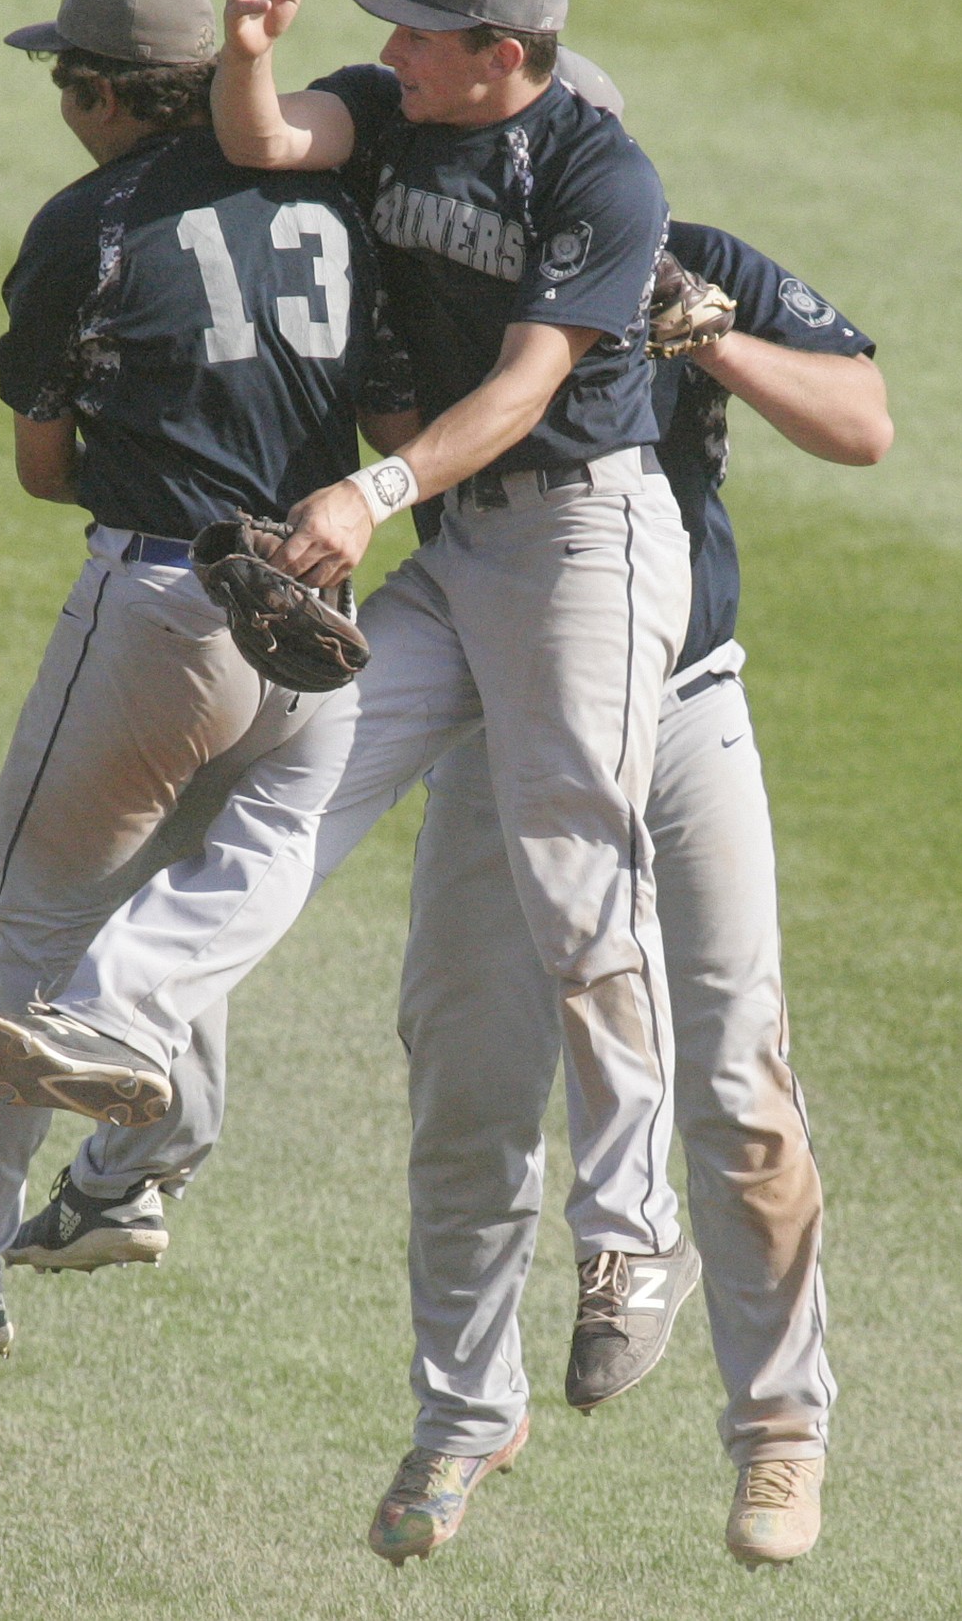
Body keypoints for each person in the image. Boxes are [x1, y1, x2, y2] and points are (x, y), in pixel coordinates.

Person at [0, 0, 702, 1407]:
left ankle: (630, 1235)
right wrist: (259, 52)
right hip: (456, 545)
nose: (393, 45)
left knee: (571, 872)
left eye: (422, 29)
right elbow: (269, 135)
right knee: (302, 798)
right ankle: (110, 1032)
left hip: (579, 544)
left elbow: (535, 380)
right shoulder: (391, 112)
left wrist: (370, 495)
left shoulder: (602, 174)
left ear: (504, 55)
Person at [0, 0, 414, 1366]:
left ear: (103, 92)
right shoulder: (327, 198)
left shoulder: (85, 221)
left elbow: (46, 467)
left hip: (161, 609)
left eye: (64, 83)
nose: (60, 106)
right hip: (324, 610)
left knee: (33, 932)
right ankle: (130, 1178)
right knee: (219, 885)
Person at [370, 218, 891, 1568]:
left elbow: (861, 422)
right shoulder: (424, 271)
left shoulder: (686, 252)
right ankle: (462, 1413)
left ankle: (779, 1433)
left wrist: (711, 334)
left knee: (735, 1079)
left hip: (679, 721)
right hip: (506, 727)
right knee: (470, 1076)